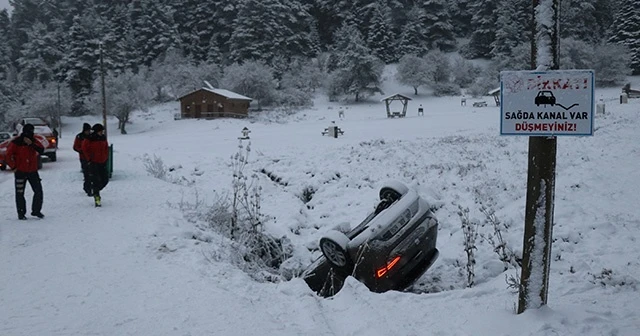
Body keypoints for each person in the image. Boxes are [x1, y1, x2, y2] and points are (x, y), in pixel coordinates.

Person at [6, 123, 45, 220]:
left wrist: (31, 144)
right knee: (20, 193)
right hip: (20, 171)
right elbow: (8, 155)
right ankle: (21, 213)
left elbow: (41, 150)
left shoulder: (34, 141)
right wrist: (13, 167)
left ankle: (36, 211)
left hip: (32, 171)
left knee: (38, 191)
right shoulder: (16, 142)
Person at [82, 123, 109, 207]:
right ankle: (97, 197)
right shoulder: (89, 139)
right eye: (101, 131)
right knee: (96, 180)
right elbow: (84, 149)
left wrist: (106, 157)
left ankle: (95, 190)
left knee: (105, 179)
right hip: (93, 162)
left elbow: (106, 148)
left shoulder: (103, 138)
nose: (102, 132)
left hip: (102, 162)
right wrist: (89, 159)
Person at [73, 123, 92, 195]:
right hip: (83, 158)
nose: (88, 132)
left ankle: (89, 187)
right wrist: (82, 151)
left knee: (91, 173)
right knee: (87, 173)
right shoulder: (79, 137)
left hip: (91, 157)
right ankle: (88, 188)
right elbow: (75, 147)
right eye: (87, 130)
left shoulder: (91, 136)